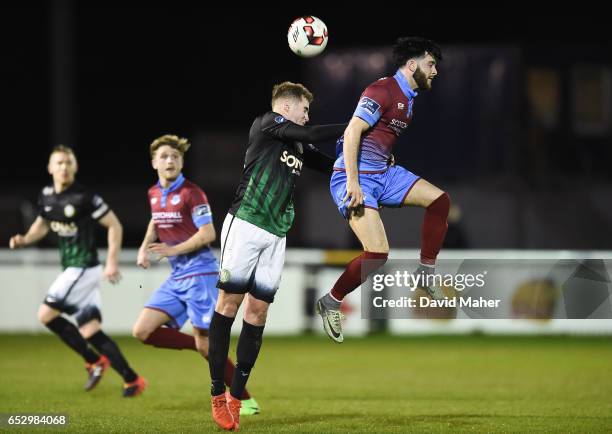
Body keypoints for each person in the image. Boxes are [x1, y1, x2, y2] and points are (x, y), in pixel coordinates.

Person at [208, 82, 346, 430]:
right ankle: (216, 393)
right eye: (304, 108)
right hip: (246, 223)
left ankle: (236, 398)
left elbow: (330, 164)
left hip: (276, 232)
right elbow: (315, 130)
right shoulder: (267, 123)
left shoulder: (296, 143)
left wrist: (367, 162)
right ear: (287, 106)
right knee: (228, 304)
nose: (307, 115)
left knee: (259, 310)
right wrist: (355, 122)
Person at [316, 37, 451, 343]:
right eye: (431, 64)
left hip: (384, 173)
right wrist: (352, 182)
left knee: (440, 201)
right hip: (355, 177)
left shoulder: (409, 97)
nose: (435, 72)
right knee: (377, 254)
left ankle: (425, 273)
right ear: (412, 64)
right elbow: (352, 132)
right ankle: (331, 301)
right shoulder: (382, 90)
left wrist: (384, 156)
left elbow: (378, 136)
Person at [131, 134, 259, 415]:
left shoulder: (192, 193)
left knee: (207, 347)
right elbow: (156, 219)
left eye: (175, 157)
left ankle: (245, 399)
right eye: (164, 156)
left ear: (181, 162)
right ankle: (197, 343)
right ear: (154, 162)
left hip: (200, 273)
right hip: (177, 276)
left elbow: (208, 234)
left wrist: (172, 250)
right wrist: (143, 249)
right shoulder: (154, 193)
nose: (170, 161)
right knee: (142, 331)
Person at [9, 145, 146, 396]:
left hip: (83, 267)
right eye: (59, 163)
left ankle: (93, 361)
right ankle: (132, 379)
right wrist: (25, 239)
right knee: (90, 331)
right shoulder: (47, 196)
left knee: (45, 314)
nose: (64, 167)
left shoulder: (84, 197)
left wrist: (112, 262)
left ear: (75, 167)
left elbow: (114, 225)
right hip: (75, 270)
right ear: (50, 168)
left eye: (68, 163)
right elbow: (42, 225)